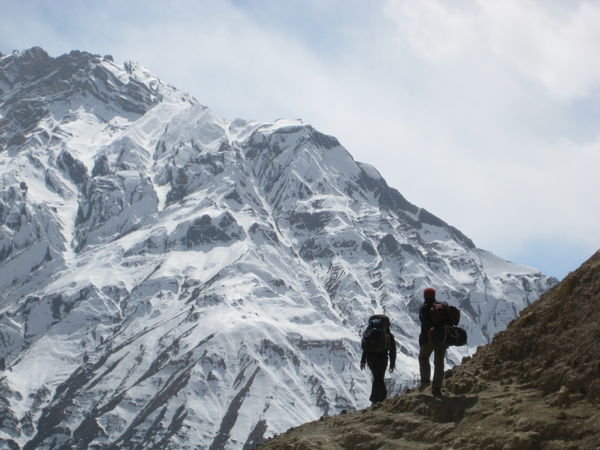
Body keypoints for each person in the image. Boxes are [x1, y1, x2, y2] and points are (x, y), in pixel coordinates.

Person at [360, 315, 397, 404]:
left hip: (370, 358)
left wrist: (363, 360)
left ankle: (377, 399)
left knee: (377, 377)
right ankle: (379, 399)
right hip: (382, 358)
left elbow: (366, 347)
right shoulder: (388, 335)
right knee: (379, 378)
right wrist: (392, 364)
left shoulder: (369, 333)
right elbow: (393, 350)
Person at [418, 287, 447, 397]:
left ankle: (425, 382)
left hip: (428, 338)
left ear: (424, 296)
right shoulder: (441, 307)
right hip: (442, 338)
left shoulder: (424, 308)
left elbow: (425, 326)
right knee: (439, 362)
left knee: (423, 357)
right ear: (434, 295)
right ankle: (436, 387)